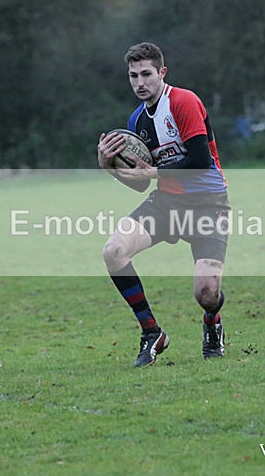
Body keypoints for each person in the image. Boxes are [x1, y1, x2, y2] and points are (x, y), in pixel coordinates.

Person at [97, 42, 230, 367]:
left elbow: (199, 161)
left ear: (162, 73)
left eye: (146, 74)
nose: (140, 82)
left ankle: (212, 323)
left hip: (209, 205)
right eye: (133, 76)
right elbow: (142, 182)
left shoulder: (184, 101)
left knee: (206, 293)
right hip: (167, 203)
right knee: (113, 251)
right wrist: (110, 168)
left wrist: (152, 171)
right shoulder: (137, 121)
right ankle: (151, 332)